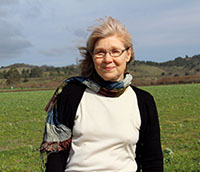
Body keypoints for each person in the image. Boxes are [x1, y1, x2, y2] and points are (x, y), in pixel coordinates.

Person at [40, 16, 163, 172]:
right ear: (92, 57)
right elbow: (56, 156)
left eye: (115, 52)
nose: (107, 59)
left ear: (128, 54)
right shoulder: (71, 94)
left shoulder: (143, 101)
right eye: (100, 53)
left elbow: (152, 160)